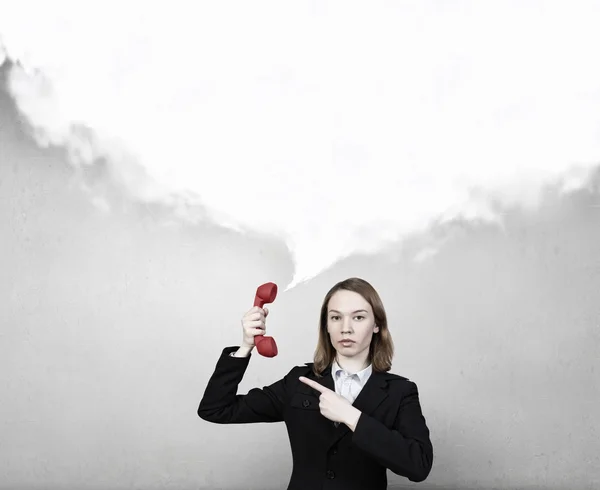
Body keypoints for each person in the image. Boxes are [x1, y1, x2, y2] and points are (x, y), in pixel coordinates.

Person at [198, 277, 433, 489]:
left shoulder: (400, 391)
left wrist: (352, 417)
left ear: (376, 325)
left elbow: (418, 466)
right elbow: (216, 409)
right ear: (326, 326)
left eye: (359, 317)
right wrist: (246, 346)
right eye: (336, 317)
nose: (346, 328)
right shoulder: (299, 381)